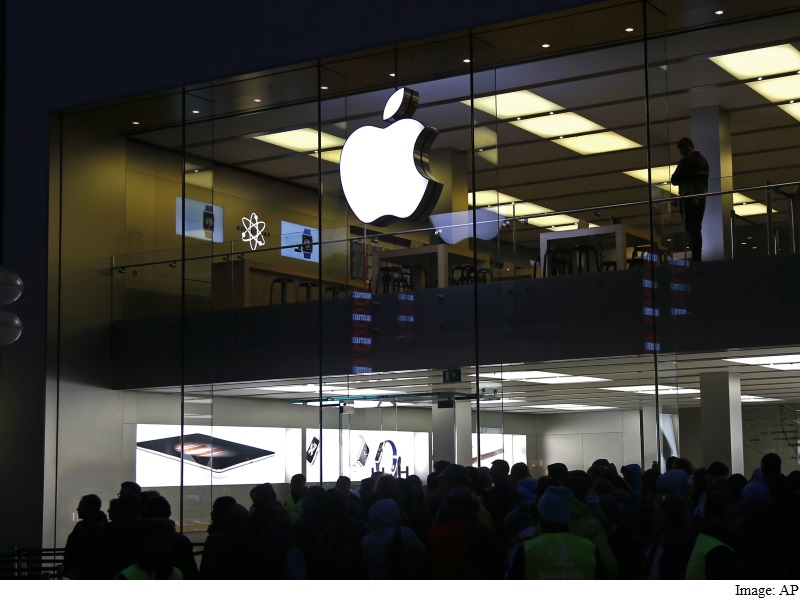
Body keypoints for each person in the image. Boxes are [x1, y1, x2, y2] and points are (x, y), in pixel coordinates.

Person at [671, 137, 709, 262]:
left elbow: (674, 180)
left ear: (687, 146)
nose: (680, 153)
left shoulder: (686, 162)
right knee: (697, 228)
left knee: (690, 229)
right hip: (701, 199)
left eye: (681, 149)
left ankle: (695, 258)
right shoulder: (703, 161)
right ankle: (698, 256)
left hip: (688, 199)